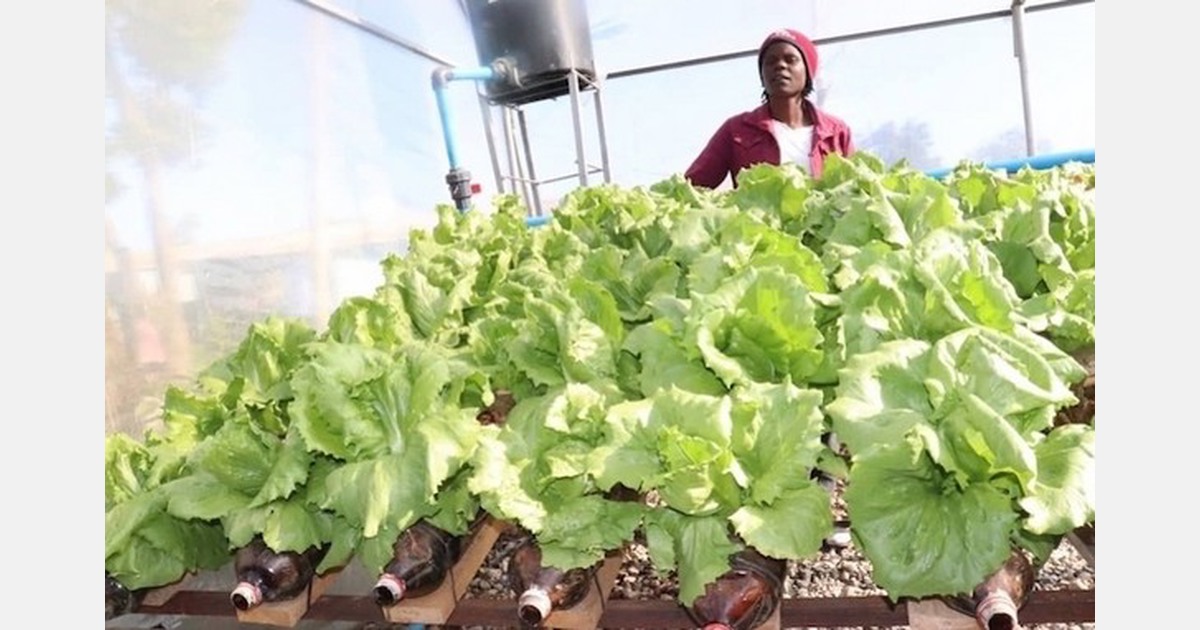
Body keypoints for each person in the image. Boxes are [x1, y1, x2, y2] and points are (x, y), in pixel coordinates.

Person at [685, 28, 854, 188]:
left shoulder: (836, 132)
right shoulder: (736, 130)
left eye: (791, 59)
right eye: (770, 61)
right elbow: (691, 188)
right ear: (762, 75)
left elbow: (855, 188)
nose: (780, 66)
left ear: (808, 71)